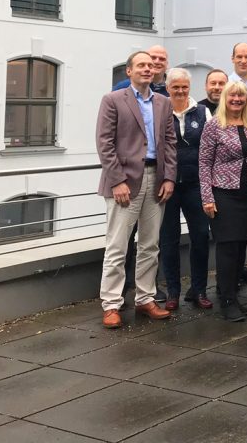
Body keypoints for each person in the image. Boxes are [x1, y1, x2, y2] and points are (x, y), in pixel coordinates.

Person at [95, 50, 176, 328]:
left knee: (150, 245)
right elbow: (104, 143)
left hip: (156, 179)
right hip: (124, 182)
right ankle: (111, 304)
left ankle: (145, 299)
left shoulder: (163, 102)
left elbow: (170, 143)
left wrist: (169, 178)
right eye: (141, 65)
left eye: (150, 65)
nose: (147, 69)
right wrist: (117, 180)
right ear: (129, 71)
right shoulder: (113, 99)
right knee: (117, 246)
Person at [199, 82, 247, 322]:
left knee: (240, 247)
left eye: (241, 96)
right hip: (223, 193)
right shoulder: (213, 125)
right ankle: (226, 300)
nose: (237, 99)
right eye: (233, 95)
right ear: (225, 98)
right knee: (227, 247)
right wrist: (207, 197)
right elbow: (204, 163)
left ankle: (234, 296)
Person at [160, 68, 212, 311]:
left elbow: (210, 147)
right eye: (176, 87)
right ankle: (173, 292)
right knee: (168, 239)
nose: (180, 91)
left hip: (196, 184)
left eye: (184, 87)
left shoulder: (202, 112)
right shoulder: (160, 110)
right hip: (167, 185)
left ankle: (199, 289)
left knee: (200, 236)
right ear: (167, 88)